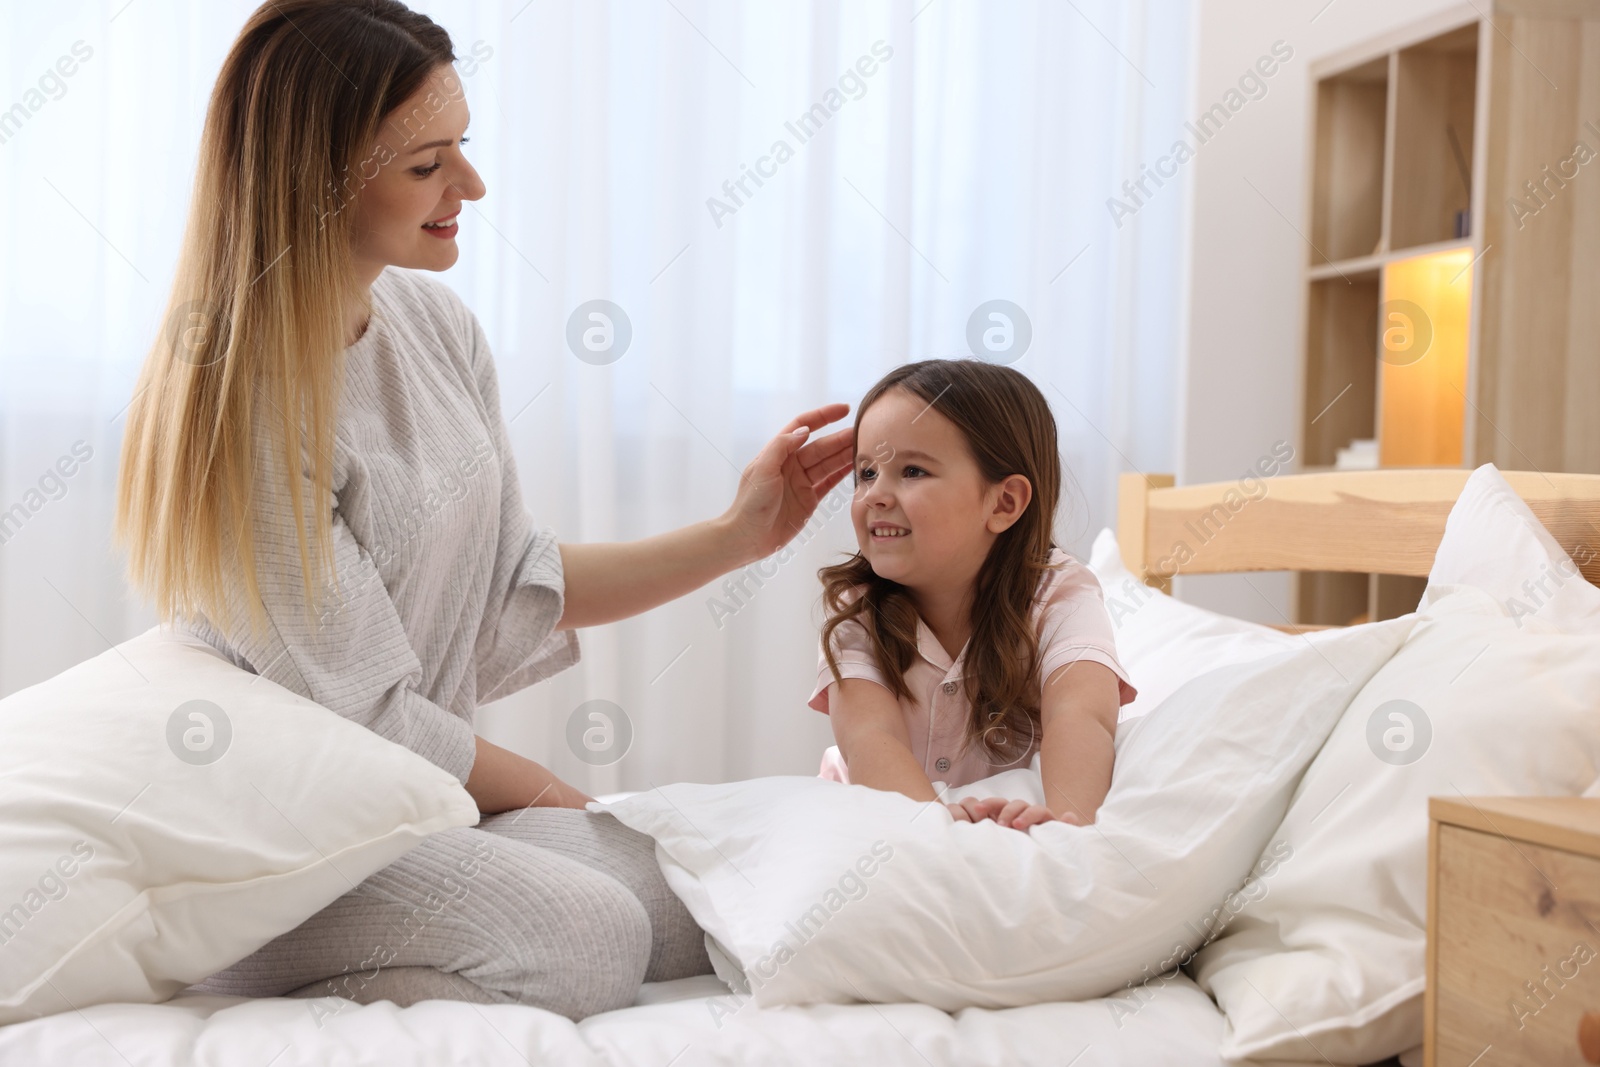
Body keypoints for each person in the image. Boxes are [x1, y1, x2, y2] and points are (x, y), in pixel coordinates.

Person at [112, 0, 852, 1020]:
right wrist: (562, 795)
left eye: (461, 148)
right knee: (591, 933)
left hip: (396, 806)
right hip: (267, 835)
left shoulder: (432, 322)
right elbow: (369, 719)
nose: (471, 186)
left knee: (695, 902)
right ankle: (208, 968)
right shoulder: (247, 407)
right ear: (309, 179)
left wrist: (738, 537)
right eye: (426, 164)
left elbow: (515, 581)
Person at [807, 360, 1136, 832]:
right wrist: (939, 833)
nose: (875, 495)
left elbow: (1080, 715)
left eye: (913, 471)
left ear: (1003, 503)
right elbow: (869, 737)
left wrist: (1067, 830)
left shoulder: (1061, 594)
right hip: (880, 828)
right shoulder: (856, 610)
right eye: (866, 473)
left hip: (1009, 829)